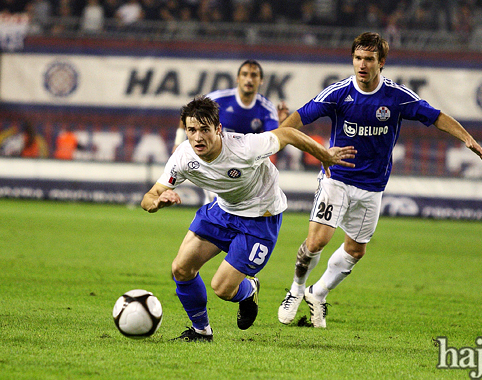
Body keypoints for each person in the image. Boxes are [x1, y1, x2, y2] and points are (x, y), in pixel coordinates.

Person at [277, 32, 482, 329]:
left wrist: (467, 138)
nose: (362, 65)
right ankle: (296, 290)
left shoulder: (397, 97)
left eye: (369, 59)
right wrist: (280, 143)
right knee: (317, 241)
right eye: (358, 58)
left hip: (372, 187)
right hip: (336, 178)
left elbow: (436, 116)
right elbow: (298, 119)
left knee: (356, 250)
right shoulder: (338, 93)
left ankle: (318, 292)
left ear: (382, 62)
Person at [141, 95, 356, 342]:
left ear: (218, 129)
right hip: (223, 210)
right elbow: (148, 197)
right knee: (180, 269)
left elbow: (287, 134)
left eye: (204, 129)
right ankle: (201, 331)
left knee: (222, 288)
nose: (198, 137)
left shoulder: (245, 147)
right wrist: (157, 202)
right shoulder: (183, 157)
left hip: (260, 218)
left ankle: (249, 290)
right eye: (191, 130)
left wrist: (323, 155)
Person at [173, 59, 289, 151]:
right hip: (217, 157)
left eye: (254, 75)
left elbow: (273, 145)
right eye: (244, 74)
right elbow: (188, 115)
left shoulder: (267, 109)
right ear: (238, 78)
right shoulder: (218, 99)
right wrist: (178, 143)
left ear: (261, 80)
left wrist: (281, 124)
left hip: (246, 165)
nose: (249, 79)